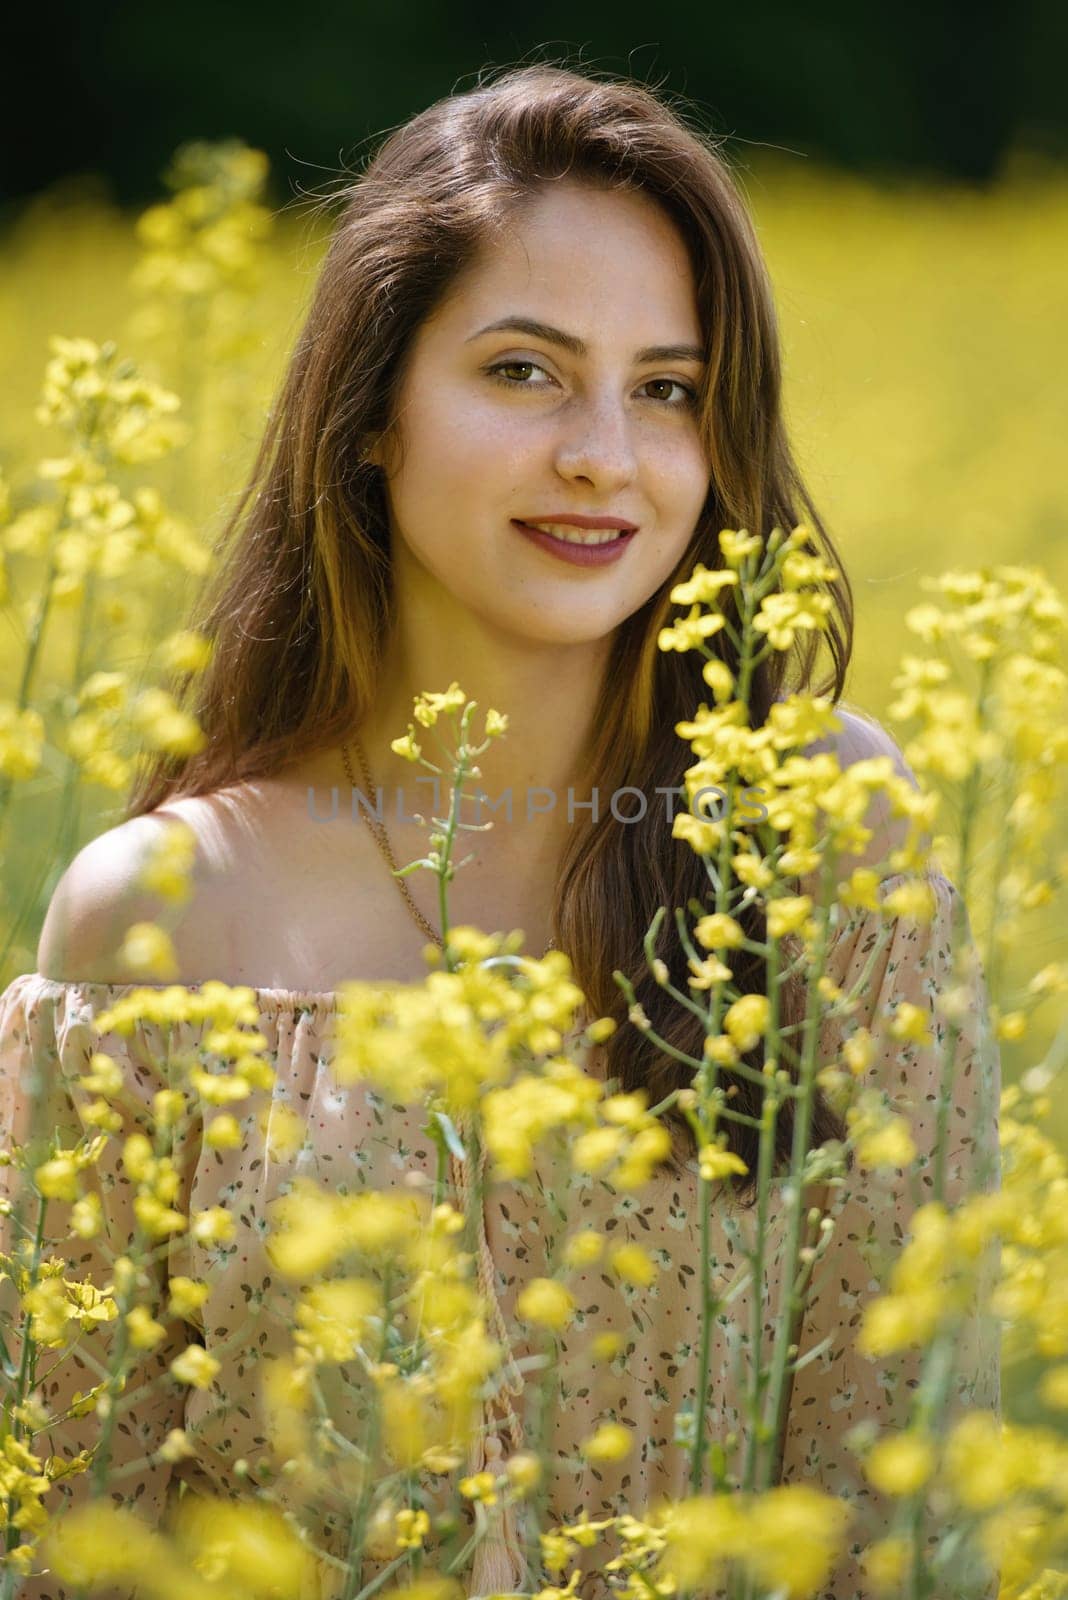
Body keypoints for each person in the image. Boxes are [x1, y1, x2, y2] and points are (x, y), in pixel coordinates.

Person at [0, 63, 999, 1600]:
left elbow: (904, 1489)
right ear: (372, 415)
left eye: (667, 389)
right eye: (526, 372)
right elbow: (87, 1538)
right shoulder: (166, 912)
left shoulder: (816, 835)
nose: (605, 453)